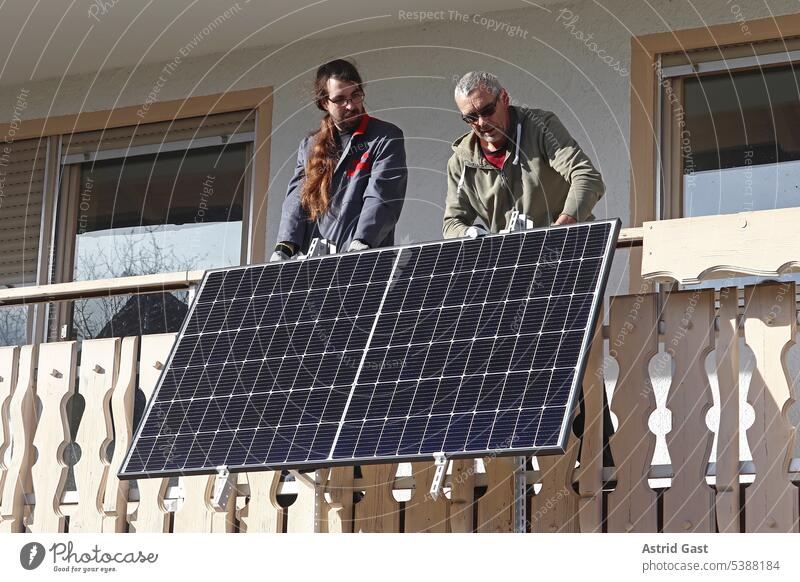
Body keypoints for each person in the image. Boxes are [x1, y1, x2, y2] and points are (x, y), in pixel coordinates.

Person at [271, 60, 407, 261]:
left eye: (356, 95)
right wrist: (284, 246)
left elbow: (382, 196)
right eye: (340, 99)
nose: (351, 105)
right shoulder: (309, 147)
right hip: (314, 269)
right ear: (324, 103)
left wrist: (362, 243)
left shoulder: (385, 137)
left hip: (364, 263)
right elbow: (296, 200)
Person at [443, 71, 604, 238]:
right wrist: (468, 233)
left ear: (504, 98)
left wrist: (561, 229)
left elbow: (587, 177)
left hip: (566, 247)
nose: (482, 122)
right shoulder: (461, 162)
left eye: (488, 110)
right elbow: (451, 223)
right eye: (471, 117)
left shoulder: (541, 128)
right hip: (510, 257)